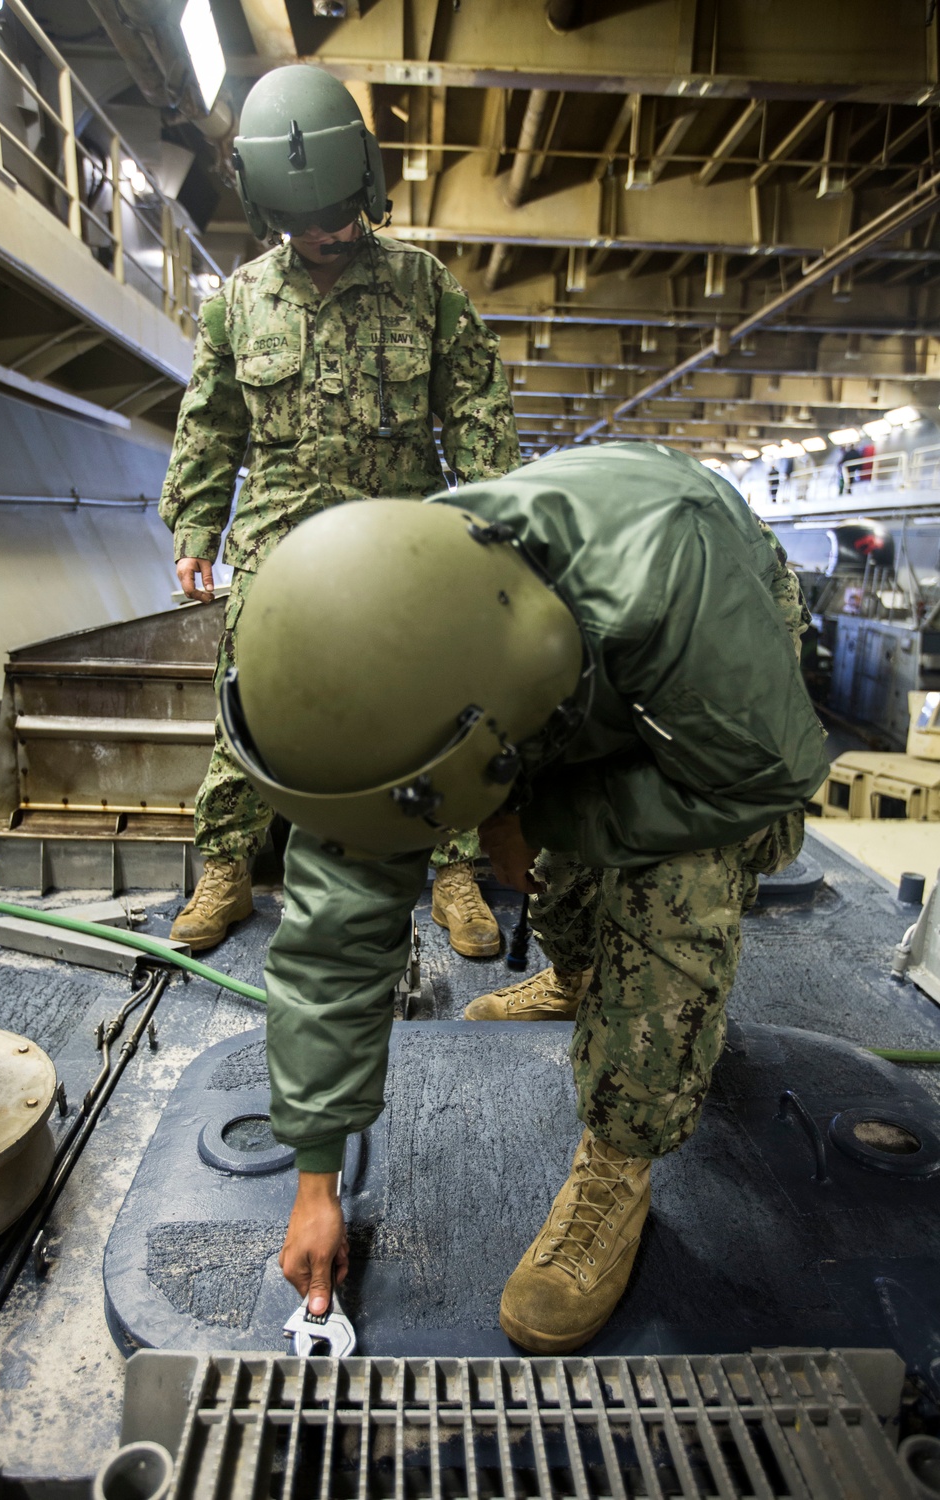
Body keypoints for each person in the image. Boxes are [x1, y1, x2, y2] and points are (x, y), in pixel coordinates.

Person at [219, 441, 830, 1354]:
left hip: (705, 659)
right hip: (549, 686)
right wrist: (316, 1181)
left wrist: (547, 813)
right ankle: (581, 973)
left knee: (675, 879)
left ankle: (619, 1163)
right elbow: (335, 932)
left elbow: (758, 780)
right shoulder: (392, 654)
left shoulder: (674, 585)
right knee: (555, 877)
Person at [158, 64, 519, 956]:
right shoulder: (238, 302)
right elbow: (212, 423)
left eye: (334, 217)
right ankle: (229, 866)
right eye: (300, 224)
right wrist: (197, 528)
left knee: (444, 692)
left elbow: (474, 404)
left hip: (403, 529)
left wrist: (498, 523)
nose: (321, 235)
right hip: (280, 534)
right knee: (249, 691)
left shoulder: (422, 286)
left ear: (365, 186)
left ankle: (456, 871)